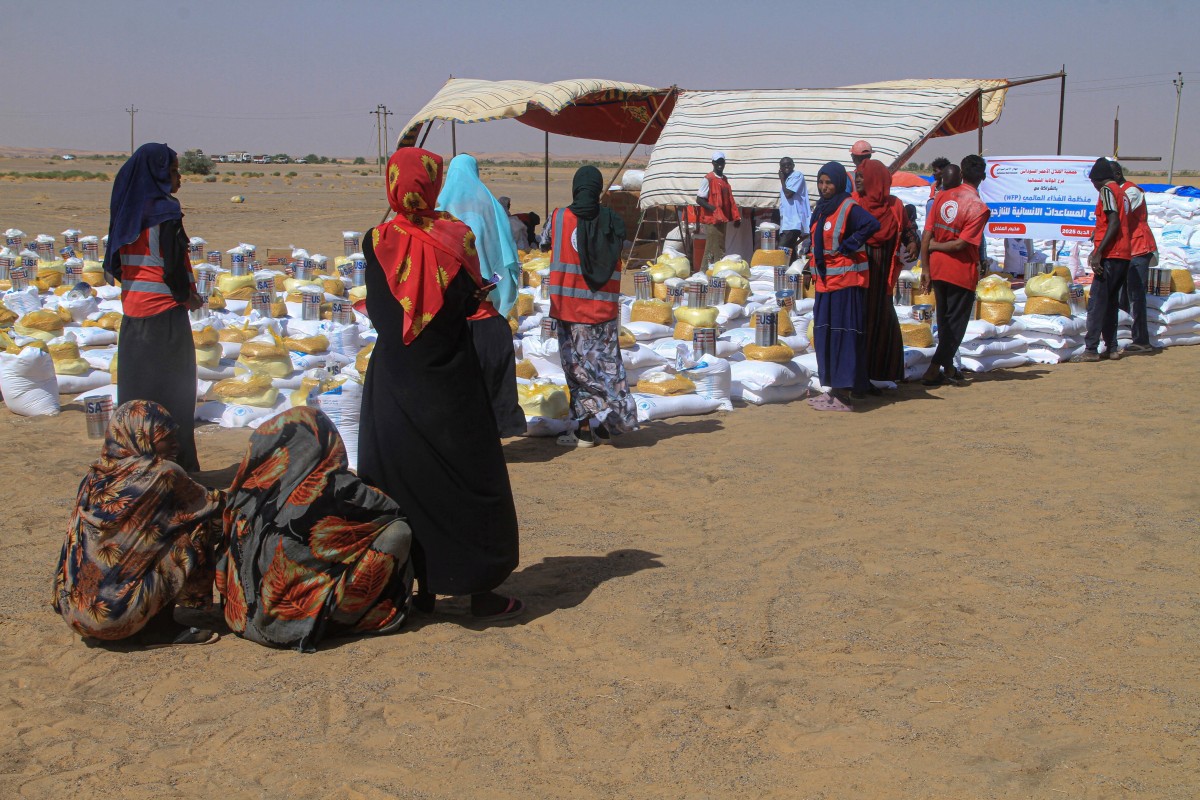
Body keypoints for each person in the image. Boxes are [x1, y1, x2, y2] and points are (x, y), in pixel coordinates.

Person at [357, 148, 522, 622]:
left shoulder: (376, 239)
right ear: (431, 184)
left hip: (395, 378)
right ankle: (479, 590)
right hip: (450, 377)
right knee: (470, 478)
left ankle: (418, 587)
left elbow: (380, 308)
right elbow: (468, 302)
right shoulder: (457, 236)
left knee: (403, 478)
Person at [217, 408, 414, 651]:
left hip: (243, 618)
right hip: (291, 626)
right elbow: (391, 510)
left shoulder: (249, 488)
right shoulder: (338, 488)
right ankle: (348, 618)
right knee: (397, 531)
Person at [51, 400, 224, 646]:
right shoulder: (162, 473)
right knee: (198, 524)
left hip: (75, 613)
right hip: (115, 617)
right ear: (141, 437)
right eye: (166, 437)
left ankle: (138, 615)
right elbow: (215, 505)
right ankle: (159, 630)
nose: (176, 444)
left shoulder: (94, 475)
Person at [103, 143, 204, 472]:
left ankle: (133, 466)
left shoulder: (127, 212)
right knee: (173, 395)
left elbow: (118, 264)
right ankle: (175, 468)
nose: (179, 178)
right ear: (157, 174)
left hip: (134, 315)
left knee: (137, 396)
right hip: (165, 315)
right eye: (173, 171)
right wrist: (188, 297)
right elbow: (173, 266)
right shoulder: (165, 211)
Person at [539, 165, 638, 446]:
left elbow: (543, 243)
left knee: (577, 370)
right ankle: (606, 424)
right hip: (602, 313)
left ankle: (584, 431)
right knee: (606, 370)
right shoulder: (613, 221)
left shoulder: (558, 218)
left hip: (568, 310)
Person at [437, 154, 526, 437]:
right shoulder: (491, 208)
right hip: (487, 312)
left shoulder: (440, 211)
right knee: (492, 383)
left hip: (450, 317)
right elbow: (506, 256)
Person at [807, 161, 880, 412]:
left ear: (839, 183)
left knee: (843, 335)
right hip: (825, 282)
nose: (824, 187)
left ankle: (844, 394)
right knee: (826, 334)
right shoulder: (821, 208)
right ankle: (835, 389)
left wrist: (850, 244)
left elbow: (872, 224)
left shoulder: (848, 207)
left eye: (829, 182)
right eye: (821, 182)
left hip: (845, 281)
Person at [919, 157, 990, 385]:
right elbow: (961, 244)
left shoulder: (942, 196)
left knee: (944, 320)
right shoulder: (978, 207)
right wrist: (935, 247)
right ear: (983, 177)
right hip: (960, 271)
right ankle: (933, 369)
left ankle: (948, 368)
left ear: (961, 173)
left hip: (938, 268)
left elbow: (927, 233)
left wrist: (927, 264)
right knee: (956, 326)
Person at [853, 159, 917, 387]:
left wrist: (912, 242)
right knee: (860, 325)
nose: (857, 180)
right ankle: (859, 378)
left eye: (862, 176)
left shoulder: (895, 206)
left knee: (882, 324)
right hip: (859, 281)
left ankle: (877, 376)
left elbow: (907, 228)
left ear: (876, 180)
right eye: (857, 176)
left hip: (883, 280)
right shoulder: (853, 204)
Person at [1071, 158, 1133, 363]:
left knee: (1097, 303)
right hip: (1123, 254)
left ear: (1097, 179)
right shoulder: (1122, 192)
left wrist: (1098, 252)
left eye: (1093, 183)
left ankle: (1091, 349)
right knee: (1111, 303)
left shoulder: (1107, 190)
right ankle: (1112, 347)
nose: (1094, 187)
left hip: (1111, 255)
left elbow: (1113, 223)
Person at [1111, 160, 1157, 354]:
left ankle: (1141, 340)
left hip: (1139, 248)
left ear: (1117, 175)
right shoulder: (1116, 192)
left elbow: (1121, 215)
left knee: (1135, 296)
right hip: (1125, 249)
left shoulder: (1131, 191)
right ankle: (1123, 335)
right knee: (1121, 294)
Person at [695, 151, 741, 268]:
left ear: (724, 163)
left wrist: (736, 217)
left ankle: (711, 270)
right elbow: (699, 199)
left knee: (717, 246)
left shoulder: (724, 180)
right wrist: (713, 209)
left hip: (722, 219)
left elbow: (730, 200)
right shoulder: (708, 179)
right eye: (717, 162)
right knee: (714, 247)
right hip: (712, 220)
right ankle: (708, 270)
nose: (719, 164)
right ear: (713, 163)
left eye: (721, 162)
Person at [777, 157, 811, 257]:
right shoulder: (787, 180)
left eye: (789, 164)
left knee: (782, 251)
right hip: (787, 223)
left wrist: (781, 179)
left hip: (793, 222)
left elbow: (789, 194)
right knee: (789, 252)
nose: (786, 166)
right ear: (780, 168)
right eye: (783, 165)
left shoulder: (797, 175)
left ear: (793, 165)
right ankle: (792, 265)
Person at [925, 156, 952, 220]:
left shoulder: (949, 187)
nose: (933, 174)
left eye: (935, 171)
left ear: (943, 172)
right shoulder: (933, 186)